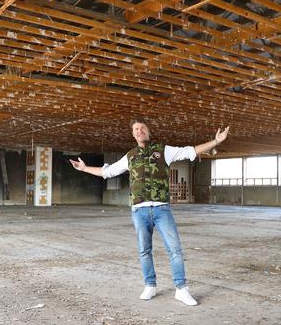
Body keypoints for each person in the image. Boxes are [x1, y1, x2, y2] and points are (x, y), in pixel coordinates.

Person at [70, 119, 230, 306]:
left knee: (175, 250)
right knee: (144, 251)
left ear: (148, 131)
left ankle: (181, 289)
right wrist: (84, 168)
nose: (139, 131)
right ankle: (150, 285)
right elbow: (109, 172)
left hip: (162, 209)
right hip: (139, 211)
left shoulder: (164, 150)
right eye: (136, 129)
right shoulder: (130, 156)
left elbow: (191, 151)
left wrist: (216, 141)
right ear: (133, 134)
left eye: (142, 128)